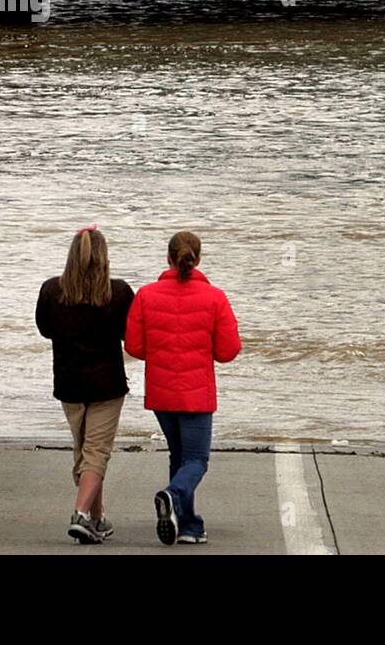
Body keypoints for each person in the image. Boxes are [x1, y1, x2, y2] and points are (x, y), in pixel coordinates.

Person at [126, 231, 240, 545]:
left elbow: (134, 346)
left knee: (180, 457)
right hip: (196, 394)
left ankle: (188, 524)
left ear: (168, 259)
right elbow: (228, 350)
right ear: (198, 259)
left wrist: (163, 351)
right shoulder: (214, 297)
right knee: (197, 460)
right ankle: (174, 496)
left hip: (162, 392)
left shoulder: (146, 295)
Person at [36, 225, 135, 544]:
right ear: (104, 259)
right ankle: (80, 514)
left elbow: (45, 330)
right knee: (96, 451)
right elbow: (129, 336)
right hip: (107, 384)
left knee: (84, 451)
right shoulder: (118, 293)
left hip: (69, 383)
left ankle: (96, 517)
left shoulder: (52, 291)